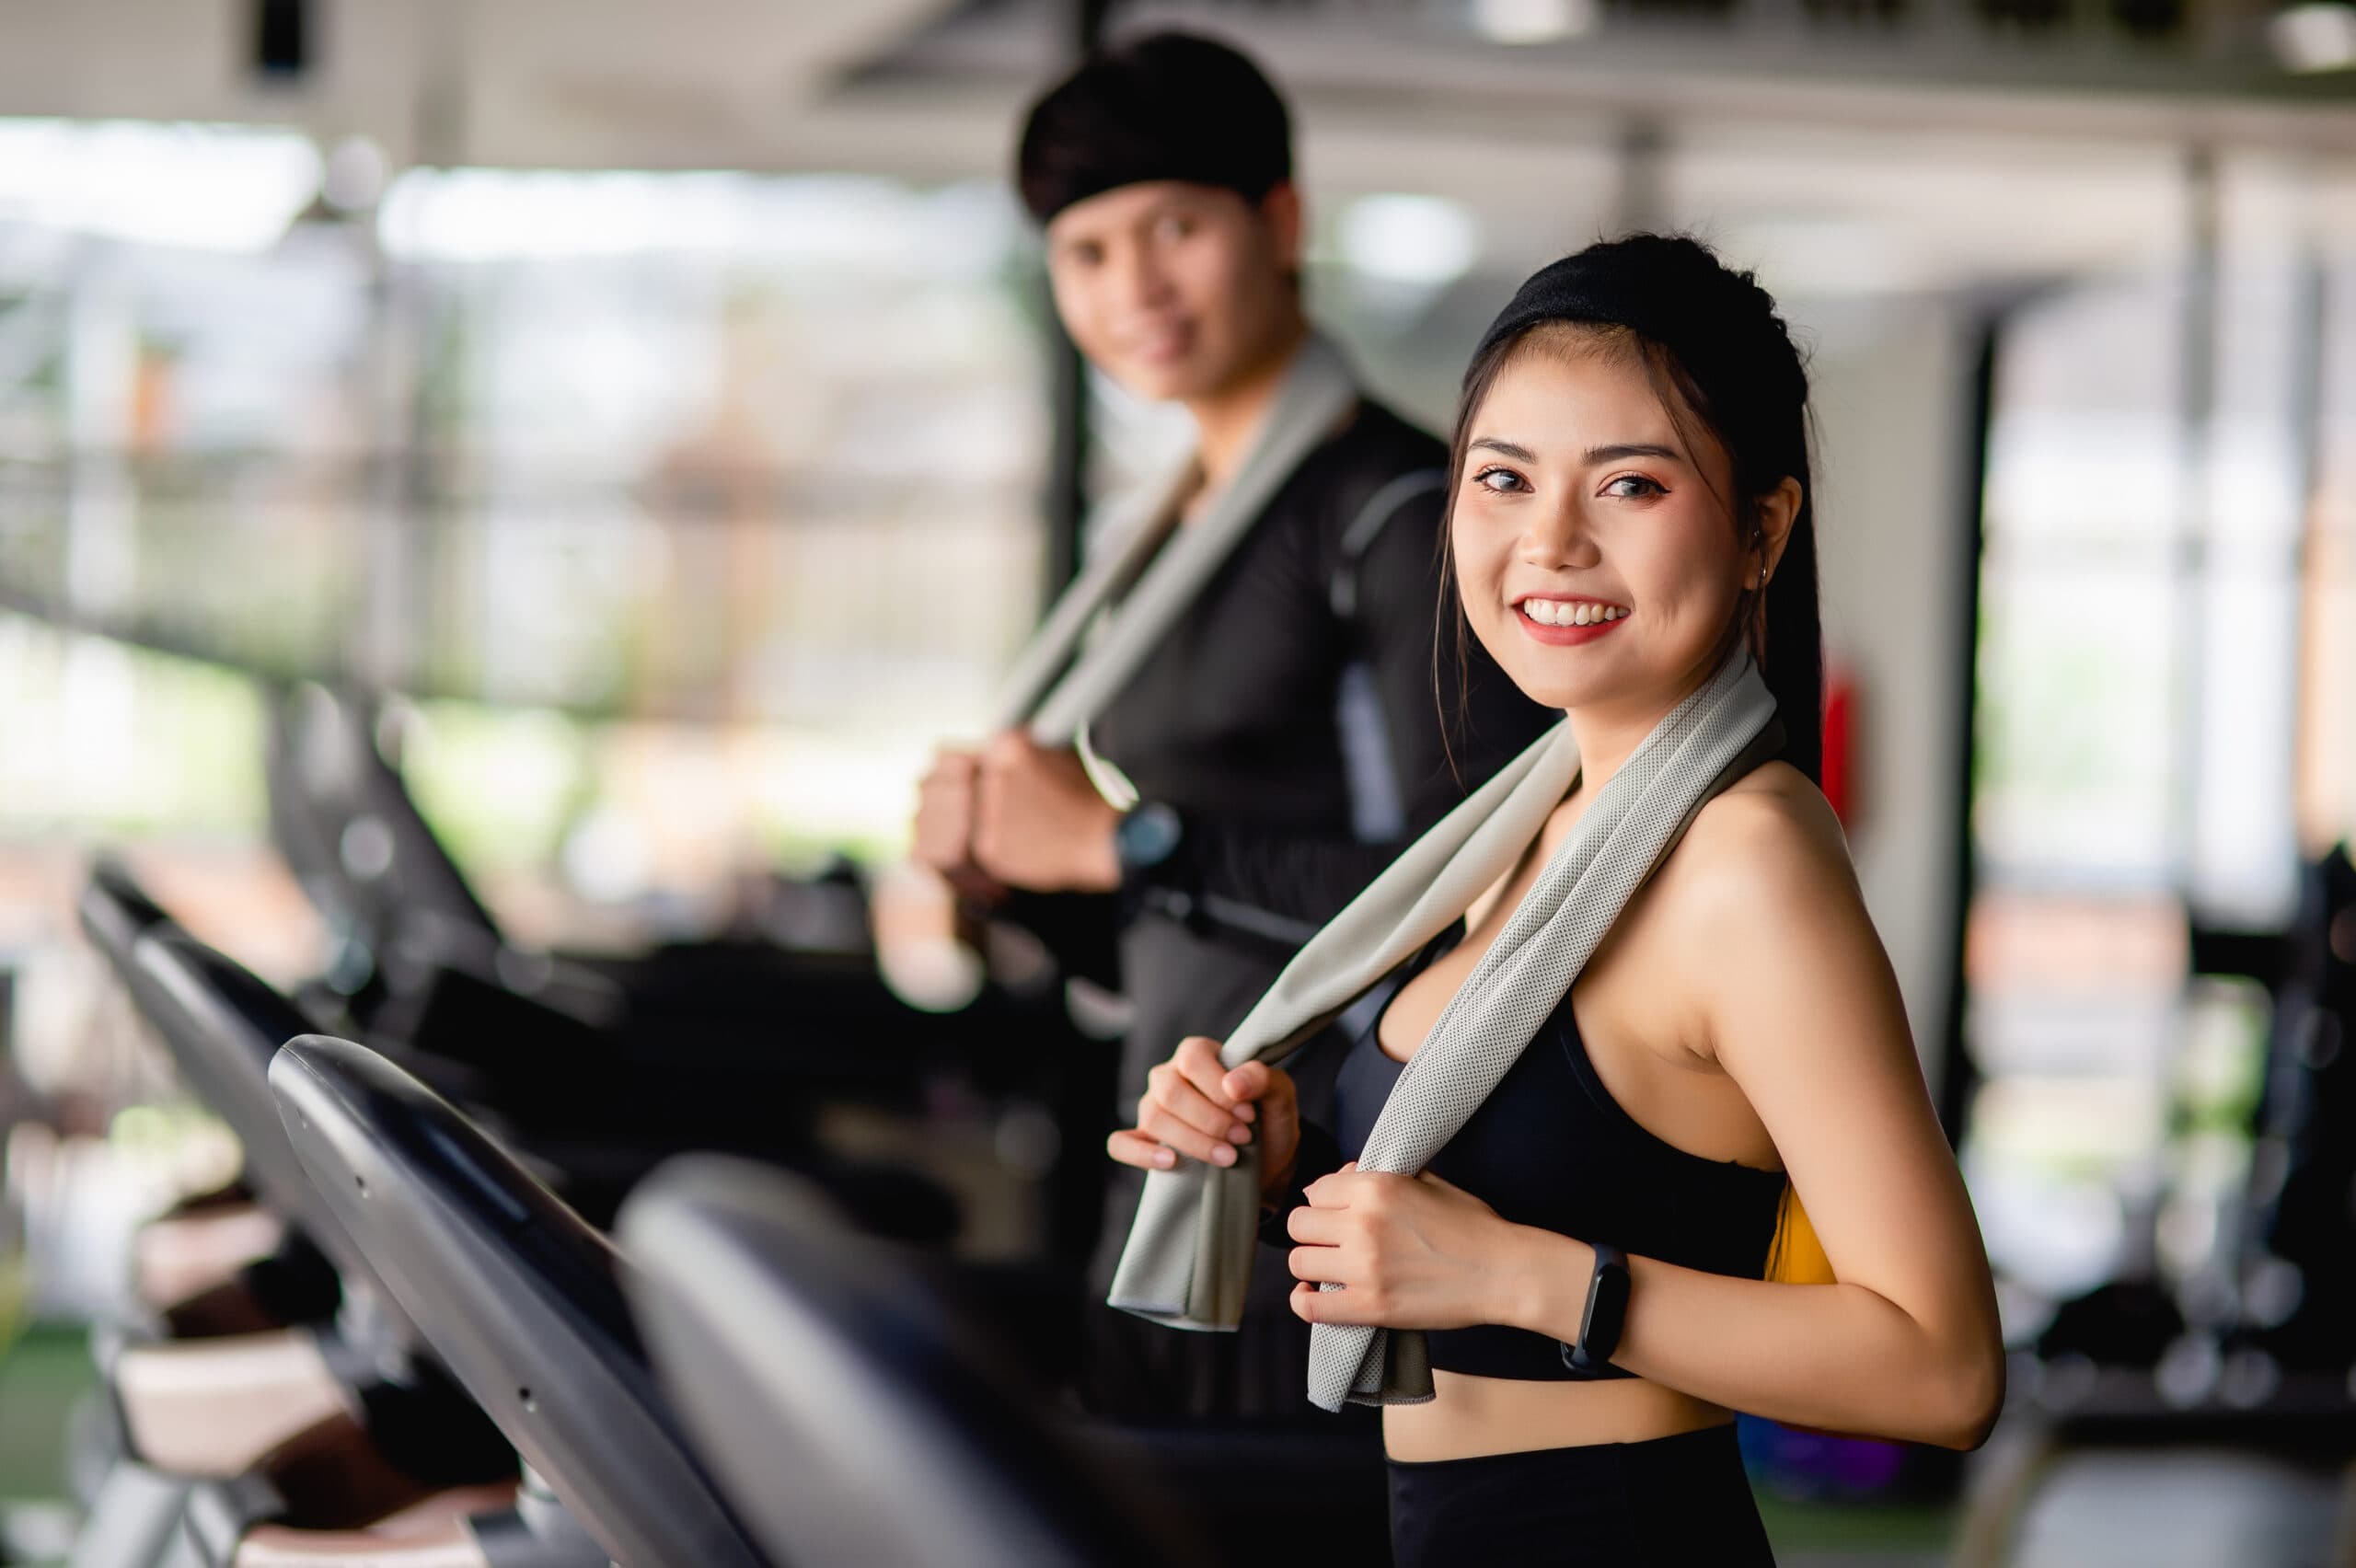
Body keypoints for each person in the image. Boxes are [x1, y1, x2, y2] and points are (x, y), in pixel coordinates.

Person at [1110, 234, 2004, 1562]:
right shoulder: (1524, 827)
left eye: (1631, 485)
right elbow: (1550, 1161)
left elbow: (1942, 1368)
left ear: (1764, 525)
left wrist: (1521, 1279)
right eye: (1502, 481)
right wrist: (1286, 1149)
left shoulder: (1742, 859)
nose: (1550, 543)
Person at [912, 31, 1550, 1420]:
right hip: (1173, 1192)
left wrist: (1129, 842)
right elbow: (1190, 923)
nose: (1132, 285)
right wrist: (1028, 877)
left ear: (1279, 223)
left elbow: (1486, 914)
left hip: (1324, 1228)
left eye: (1175, 228)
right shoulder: (1176, 524)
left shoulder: (1395, 517)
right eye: (1086, 252)